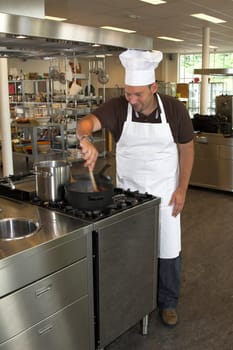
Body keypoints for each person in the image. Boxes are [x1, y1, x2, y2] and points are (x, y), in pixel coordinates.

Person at [76, 49, 194, 327]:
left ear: (153, 88)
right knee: (129, 250)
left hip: (165, 191)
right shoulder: (118, 107)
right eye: (128, 93)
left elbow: (187, 150)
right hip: (128, 195)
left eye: (138, 94)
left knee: (168, 248)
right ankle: (132, 300)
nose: (132, 100)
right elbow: (88, 122)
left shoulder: (174, 109)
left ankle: (167, 302)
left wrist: (182, 189)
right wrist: (83, 137)